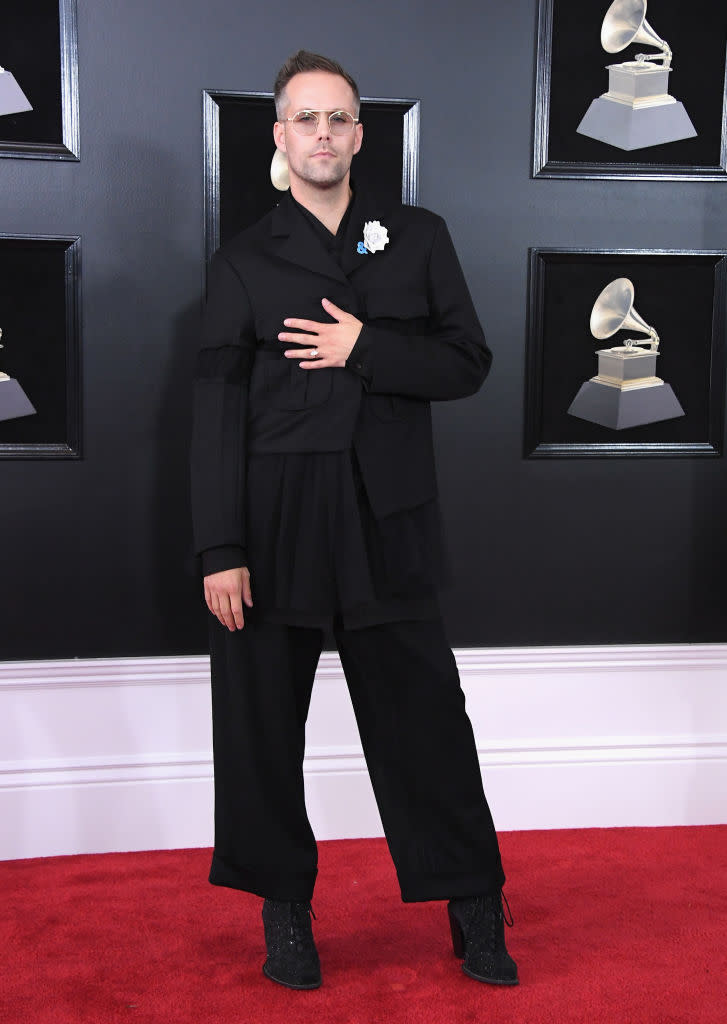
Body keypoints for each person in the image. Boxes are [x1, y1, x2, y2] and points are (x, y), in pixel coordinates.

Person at [190, 49, 517, 991]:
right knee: (259, 727)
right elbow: (214, 413)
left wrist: (367, 346)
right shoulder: (243, 260)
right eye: (306, 120)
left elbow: (466, 363)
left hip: (387, 516)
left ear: (360, 135)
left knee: (427, 725)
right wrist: (220, 548)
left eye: (339, 119)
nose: (323, 135)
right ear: (281, 137)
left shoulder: (416, 236)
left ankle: (475, 908)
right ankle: (285, 915)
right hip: (274, 519)